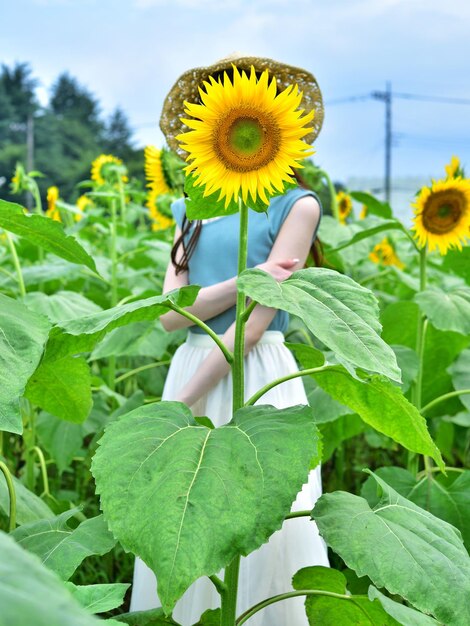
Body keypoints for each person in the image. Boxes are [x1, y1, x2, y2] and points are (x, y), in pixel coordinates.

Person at [129, 54, 330, 626]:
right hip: (195, 358)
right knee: (182, 518)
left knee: (264, 511)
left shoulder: (297, 205)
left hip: (259, 375)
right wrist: (246, 281)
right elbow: (172, 317)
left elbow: (254, 326)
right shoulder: (189, 208)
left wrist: (182, 404)